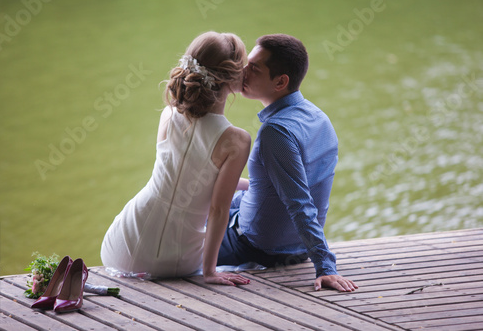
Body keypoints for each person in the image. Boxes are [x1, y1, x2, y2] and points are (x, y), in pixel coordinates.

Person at [101, 31, 251, 286]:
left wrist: (248, 184)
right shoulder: (237, 141)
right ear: (231, 76)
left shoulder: (169, 114)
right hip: (177, 261)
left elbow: (185, 175)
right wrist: (210, 272)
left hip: (121, 246)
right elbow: (217, 209)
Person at [217, 34, 358, 292]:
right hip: (296, 246)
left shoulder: (276, 133)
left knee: (182, 234)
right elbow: (281, 188)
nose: (242, 72)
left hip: (259, 248)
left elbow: (300, 202)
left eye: (254, 69)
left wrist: (326, 267)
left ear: (281, 81)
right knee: (220, 200)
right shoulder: (318, 117)